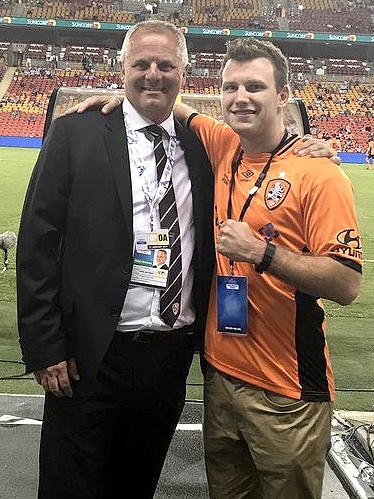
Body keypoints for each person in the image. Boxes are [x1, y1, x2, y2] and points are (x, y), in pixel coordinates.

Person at [60, 27, 340, 499]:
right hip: (220, 379)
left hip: (285, 390)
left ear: (284, 95)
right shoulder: (219, 143)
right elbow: (164, 101)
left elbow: (347, 284)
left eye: (255, 87)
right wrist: (120, 94)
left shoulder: (317, 172)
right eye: (231, 87)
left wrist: (262, 252)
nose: (241, 98)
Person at [17, 20, 215, 499]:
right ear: (120, 68)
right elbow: (37, 244)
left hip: (167, 358)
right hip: (86, 356)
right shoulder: (75, 134)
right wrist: (46, 347)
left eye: (166, 65)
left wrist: (315, 148)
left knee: (137, 482)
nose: (153, 74)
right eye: (141, 64)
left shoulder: (206, 146)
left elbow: (271, 146)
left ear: (184, 73)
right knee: (70, 485)